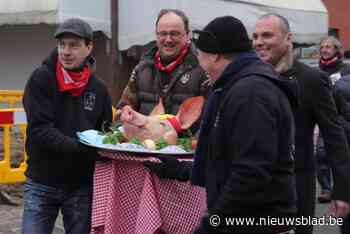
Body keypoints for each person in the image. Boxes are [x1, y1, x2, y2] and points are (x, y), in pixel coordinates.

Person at [147, 15, 298, 234]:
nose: (201, 67)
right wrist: (180, 170)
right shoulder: (239, 85)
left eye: (200, 56)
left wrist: (212, 225)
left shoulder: (250, 92)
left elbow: (251, 172)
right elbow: (230, 157)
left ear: (215, 55)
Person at [252, 13, 350, 234]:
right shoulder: (250, 78)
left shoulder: (312, 80)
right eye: (255, 36)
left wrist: (343, 191)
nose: (259, 42)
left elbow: (334, 136)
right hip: (255, 186)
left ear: (288, 39)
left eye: (267, 35)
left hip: (296, 186)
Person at [22, 18, 112, 234]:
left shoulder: (99, 89)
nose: (66, 51)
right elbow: (39, 130)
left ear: (89, 47)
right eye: (62, 45)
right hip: (42, 182)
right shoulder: (41, 79)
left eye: (74, 45)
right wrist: (79, 147)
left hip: (80, 185)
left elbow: (105, 131)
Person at [117, 9, 209, 117]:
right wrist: (124, 116)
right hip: (143, 134)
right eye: (163, 34)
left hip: (185, 134)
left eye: (174, 34)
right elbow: (122, 110)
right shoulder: (142, 69)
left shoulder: (203, 70)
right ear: (156, 35)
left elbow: (210, 119)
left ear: (187, 35)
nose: (168, 39)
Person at [315, 36, 350, 203]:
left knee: (343, 153)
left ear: (337, 50)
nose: (324, 50)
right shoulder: (317, 70)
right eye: (322, 47)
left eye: (328, 47)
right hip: (322, 116)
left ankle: (343, 188)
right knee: (321, 154)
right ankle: (326, 189)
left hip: (342, 119)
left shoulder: (345, 69)